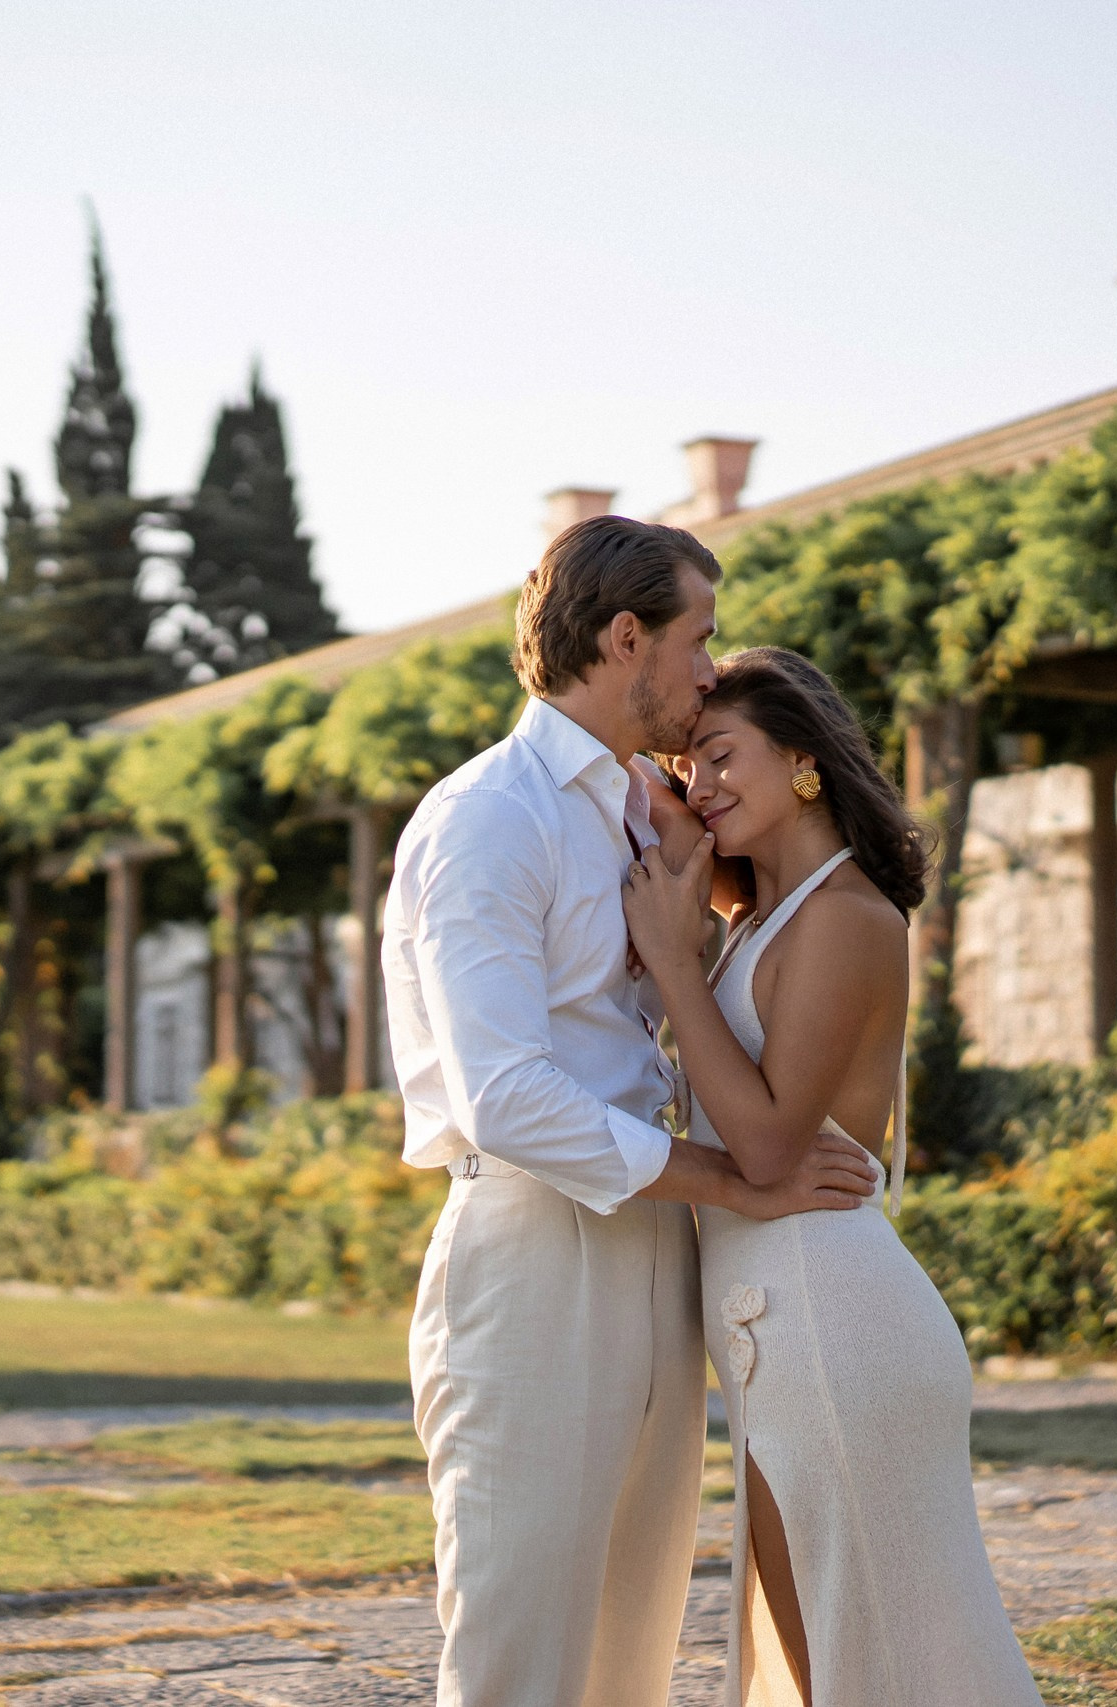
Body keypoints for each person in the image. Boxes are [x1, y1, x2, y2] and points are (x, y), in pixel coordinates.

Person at [384, 518, 883, 1707]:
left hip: (654, 1246)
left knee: (628, 1653)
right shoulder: (489, 815)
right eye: (697, 640)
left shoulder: (640, 811)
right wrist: (734, 1178)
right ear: (624, 639)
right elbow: (503, 1094)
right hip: (533, 1251)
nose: (710, 671)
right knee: (519, 1658)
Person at [623, 645, 1042, 1707]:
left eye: (722, 756)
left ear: (804, 759)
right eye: (687, 767)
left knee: (866, 1664)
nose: (700, 784)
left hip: (833, 1320)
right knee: (817, 1661)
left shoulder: (847, 916)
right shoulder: (757, 921)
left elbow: (767, 1145)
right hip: (780, 1326)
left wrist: (673, 963)